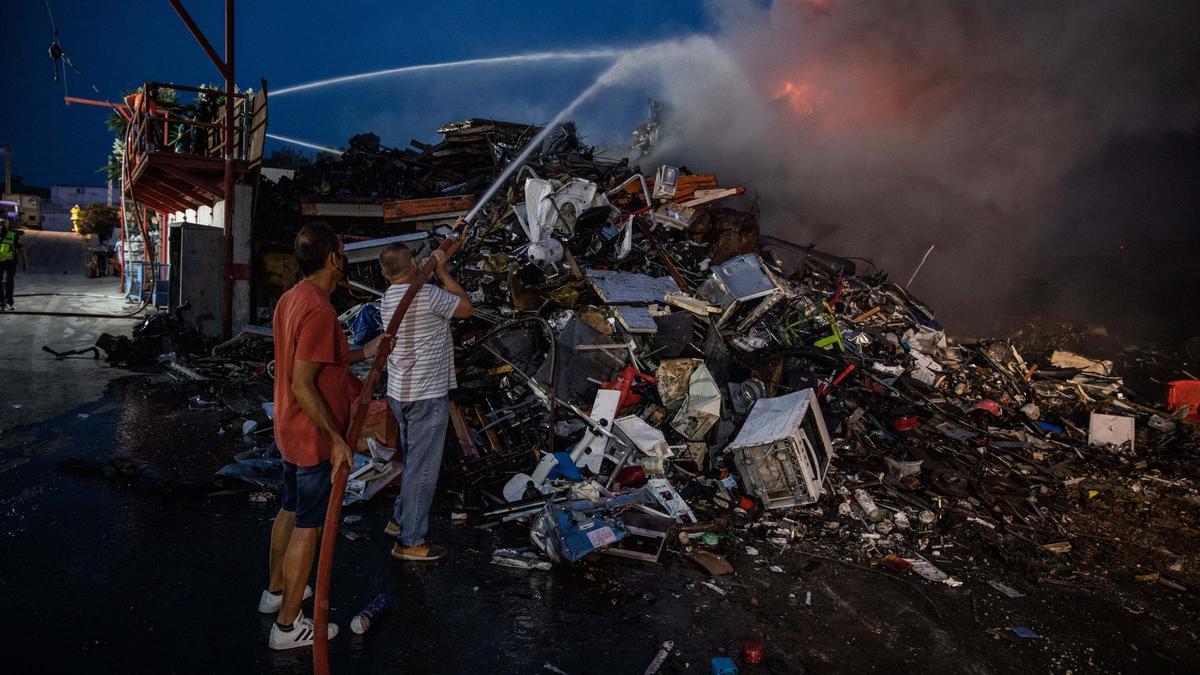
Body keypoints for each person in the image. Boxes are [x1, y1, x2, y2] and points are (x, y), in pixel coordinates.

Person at [259, 223, 379, 651]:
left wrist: (367, 351)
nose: (344, 257)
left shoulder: (292, 299)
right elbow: (302, 382)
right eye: (342, 250)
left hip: (289, 429)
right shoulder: (320, 309)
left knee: (289, 510)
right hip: (311, 436)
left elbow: (320, 355)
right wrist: (337, 439)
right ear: (332, 258)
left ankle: (275, 593)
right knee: (309, 527)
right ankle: (289, 626)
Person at [377, 241, 472, 562]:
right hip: (426, 396)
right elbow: (465, 307)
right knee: (423, 469)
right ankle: (410, 541)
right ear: (415, 265)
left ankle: (399, 520)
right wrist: (443, 271)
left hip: (399, 394)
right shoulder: (428, 295)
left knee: (412, 462)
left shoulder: (387, 299)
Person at [0, 221, 27, 311]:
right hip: (5, 262)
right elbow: (21, 250)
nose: (2, 227)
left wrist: (25, 262)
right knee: (7, 282)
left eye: (3, 225)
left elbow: (21, 249)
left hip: (10, 262)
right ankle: (3, 303)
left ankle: (7, 303)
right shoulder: (12, 235)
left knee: (9, 282)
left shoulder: (12, 235)